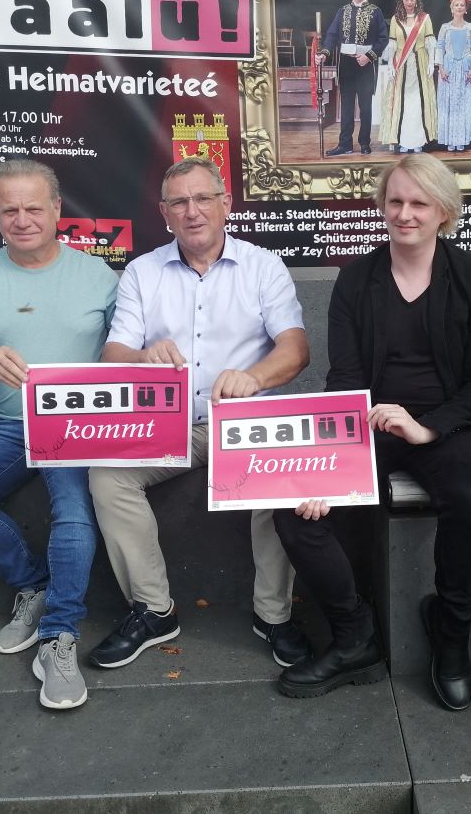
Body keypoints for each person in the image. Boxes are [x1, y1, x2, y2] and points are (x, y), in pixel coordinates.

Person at [275, 154, 471, 708]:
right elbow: (345, 377)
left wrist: (427, 428)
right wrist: (335, 456)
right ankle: (354, 634)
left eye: (419, 203)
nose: (405, 214)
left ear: (444, 212)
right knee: (295, 503)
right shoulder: (358, 277)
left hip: (452, 424)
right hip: (368, 421)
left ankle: (451, 635)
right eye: (395, 201)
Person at [87, 158, 311, 672]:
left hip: (244, 421)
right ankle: (154, 610)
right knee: (106, 475)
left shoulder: (262, 266)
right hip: (170, 425)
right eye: (180, 203)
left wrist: (254, 377)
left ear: (225, 203)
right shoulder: (143, 272)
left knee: (279, 478)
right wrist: (144, 356)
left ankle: (273, 616)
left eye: (203, 198)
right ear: (164, 213)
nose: (193, 212)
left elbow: (296, 350)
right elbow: (112, 355)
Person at [0, 160, 117, 710]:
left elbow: (127, 347)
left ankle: (59, 634)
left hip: (78, 425)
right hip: (9, 423)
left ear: (58, 209)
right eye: (9, 209)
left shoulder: (100, 275)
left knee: (75, 513)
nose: (22, 219)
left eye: (34, 207)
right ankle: (33, 585)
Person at [316, 0, 389, 156]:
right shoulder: (342, 11)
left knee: (365, 107)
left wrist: (369, 56)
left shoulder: (375, 11)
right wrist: (325, 53)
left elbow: (383, 39)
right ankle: (345, 144)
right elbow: (332, 35)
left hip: (366, 65)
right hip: (347, 65)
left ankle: (365, 142)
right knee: (347, 106)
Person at [380, 0, 438, 154]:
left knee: (419, 101)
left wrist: (431, 63)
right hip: (401, 65)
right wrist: (390, 64)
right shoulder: (395, 19)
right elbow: (391, 44)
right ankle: (404, 141)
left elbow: (430, 42)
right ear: (401, 0)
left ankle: (418, 141)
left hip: (420, 63)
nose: (409, 2)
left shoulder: (425, 18)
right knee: (402, 102)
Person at [435, 0, 471, 153]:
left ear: (465, 8)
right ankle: (450, 139)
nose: (459, 7)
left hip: (465, 69)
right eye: (456, 4)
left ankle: (462, 139)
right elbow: (439, 49)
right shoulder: (445, 28)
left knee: (463, 104)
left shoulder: (470, 28)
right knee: (449, 104)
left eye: (462, 4)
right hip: (449, 69)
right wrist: (440, 68)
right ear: (451, 8)